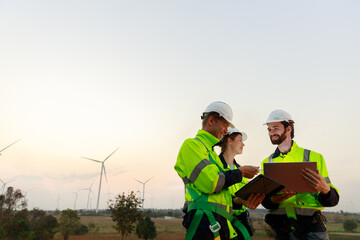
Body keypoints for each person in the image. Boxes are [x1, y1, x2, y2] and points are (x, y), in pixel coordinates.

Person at [174, 101, 259, 240]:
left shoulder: (212, 154)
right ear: (212, 120)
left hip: (220, 223)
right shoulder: (192, 146)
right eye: (225, 125)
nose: (226, 131)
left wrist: (240, 202)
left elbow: (220, 195)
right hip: (204, 223)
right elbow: (211, 182)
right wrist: (241, 172)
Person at [260, 109, 339, 240]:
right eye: (269, 130)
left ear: (288, 128)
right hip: (281, 231)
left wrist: (325, 190)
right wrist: (274, 200)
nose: (271, 132)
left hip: (311, 230)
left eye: (275, 128)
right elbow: (266, 201)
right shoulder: (267, 162)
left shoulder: (314, 157)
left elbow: (333, 199)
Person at [219, 127, 265, 240]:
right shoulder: (214, 167)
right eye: (240, 140)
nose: (243, 144)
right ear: (229, 140)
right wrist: (238, 201)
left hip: (241, 223)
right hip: (222, 222)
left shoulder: (241, 170)